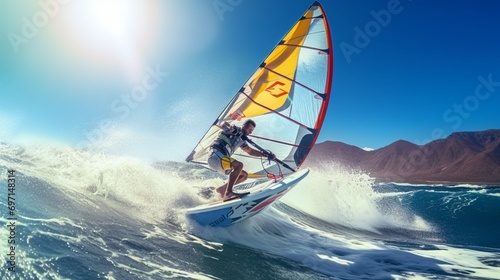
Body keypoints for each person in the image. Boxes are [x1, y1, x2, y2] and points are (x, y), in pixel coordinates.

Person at [207, 119, 275, 201]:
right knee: (239, 165)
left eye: (252, 131)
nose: (250, 132)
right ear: (244, 126)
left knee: (244, 175)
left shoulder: (242, 140)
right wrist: (230, 128)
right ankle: (228, 193)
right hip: (215, 156)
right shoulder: (233, 129)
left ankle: (222, 190)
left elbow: (251, 151)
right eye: (249, 129)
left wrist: (266, 155)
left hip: (222, 162)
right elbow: (224, 125)